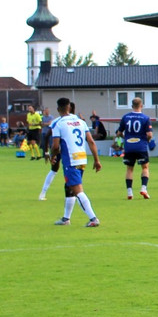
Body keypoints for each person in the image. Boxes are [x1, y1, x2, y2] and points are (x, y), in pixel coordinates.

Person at [50, 97, 102, 227]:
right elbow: (91, 141)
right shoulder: (81, 122)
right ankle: (66, 219)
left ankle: (93, 218)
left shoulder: (58, 123)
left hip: (71, 160)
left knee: (77, 190)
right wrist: (97, 160)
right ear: (69, 107)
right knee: (69, 188)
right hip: (82, 159)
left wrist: (52, 156)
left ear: (58, 109)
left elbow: (55, 146)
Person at [117, 97, 154, 200]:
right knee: (145, 167)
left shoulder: (125, 117)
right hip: (141, 146)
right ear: (141, 105)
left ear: (132, 106)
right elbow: (149, 134)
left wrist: (126, 138)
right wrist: (147, 140)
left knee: (129, 169)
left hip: (129, 147)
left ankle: (129, 192)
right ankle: (143, 188)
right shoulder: (145, 118)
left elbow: (119, 133)